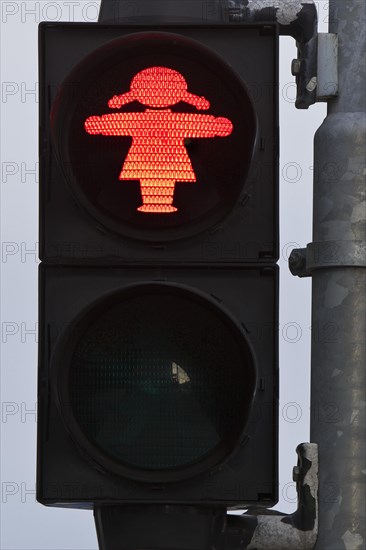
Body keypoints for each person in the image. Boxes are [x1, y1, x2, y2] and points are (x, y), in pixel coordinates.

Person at [85, 66, 233, 213]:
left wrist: (99, 124)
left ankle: (158, 204)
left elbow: (115, 122)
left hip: (146, 159)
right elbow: (201, 124)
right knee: (156, 182)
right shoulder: (176, 121)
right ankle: (157, 204)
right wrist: (216, 125)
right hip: (168, 159)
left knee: (155, 182)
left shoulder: (144, 120)